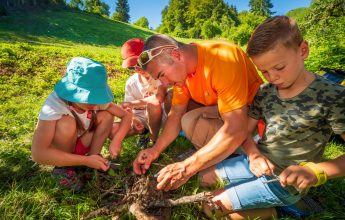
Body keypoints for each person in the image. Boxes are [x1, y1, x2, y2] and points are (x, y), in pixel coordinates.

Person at [199, 16, 345, 219]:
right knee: (204, 179)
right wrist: (253, 154)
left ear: (303, 50)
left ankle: (284, 208)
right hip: (257, 164)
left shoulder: (333, 96)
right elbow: (244, 131)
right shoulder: (265, 91)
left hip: (288, 181)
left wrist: (316, 172)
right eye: (264, 71)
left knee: (211, 208)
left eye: (279, 68)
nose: (272, 77)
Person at [132, 34, 263, 191]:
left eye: (162, 75)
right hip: (224, 109)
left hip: (252, 118)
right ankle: (216, 151)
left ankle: (248, 151)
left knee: (192, 122)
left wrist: (187, 168)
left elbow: (236, 128)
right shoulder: (183, 69)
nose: (165, 83)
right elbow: (176, 114)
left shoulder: (223, 58)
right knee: (182, 114)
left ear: (176, 55)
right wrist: (155, 150)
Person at [31, 57, 132, 190]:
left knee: (107, 114)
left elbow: (126, 116)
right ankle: (64, 169)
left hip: (81, 144)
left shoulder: (96, 102)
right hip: (61, 152)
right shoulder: (54, 105)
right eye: (89, 99)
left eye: (96, 98)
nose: (94, 103)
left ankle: (94, 157)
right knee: (67, 123)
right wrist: (85, 161)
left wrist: (117, 140)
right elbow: (38, 154)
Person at [121, 38, 171, 148]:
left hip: (162, 115)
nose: (138, 68)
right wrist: (134, 119)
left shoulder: (160, 75)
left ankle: (154, 141)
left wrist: (132, 104)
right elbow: (128, 109)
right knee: (115, 129)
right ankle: (144, 133)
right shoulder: (131, 82)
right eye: (132, 66)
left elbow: (159, 98)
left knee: (153, 105)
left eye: (141, 63)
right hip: (142, 117)